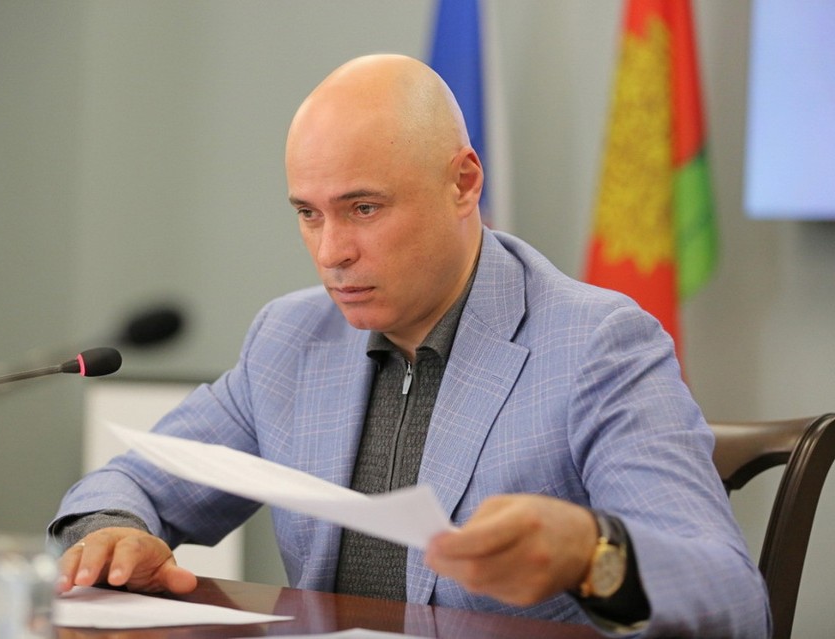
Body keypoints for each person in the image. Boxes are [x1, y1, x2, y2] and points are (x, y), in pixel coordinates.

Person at [50, 54, 770, 637]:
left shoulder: (596, 345)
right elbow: (131, 482)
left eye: (363, 208)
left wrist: (592, 552)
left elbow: (734, 602)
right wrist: (116, 532)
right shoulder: (290, 338)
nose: (331, 252)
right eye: (308, 214)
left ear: (464, 183)